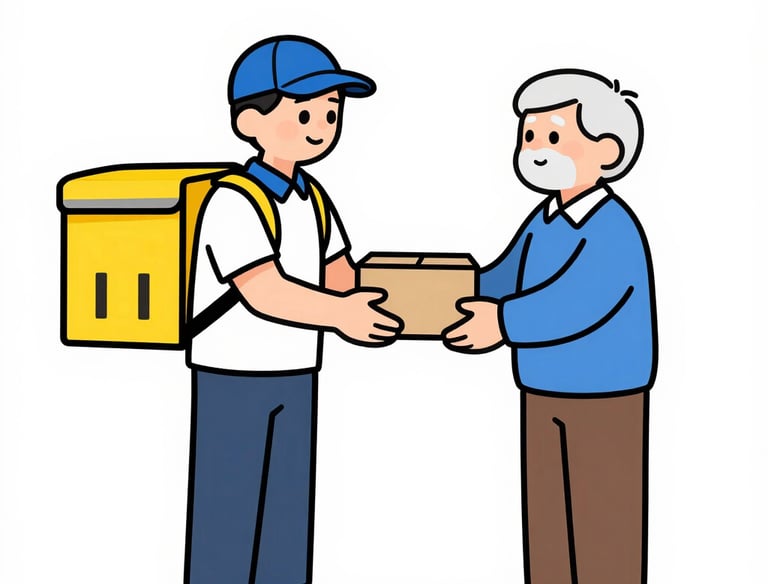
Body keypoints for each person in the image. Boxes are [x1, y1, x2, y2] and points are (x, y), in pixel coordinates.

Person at [184, 35, 402, 584]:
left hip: (297, 374)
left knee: (285, 520)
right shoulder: (233, 200)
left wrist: (407, 301)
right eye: (303, 110)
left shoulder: (314, 197)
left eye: (331, 111)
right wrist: (342, 315)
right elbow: (265, 290)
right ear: (249, 123)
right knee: (227, 522)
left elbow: (340, 276)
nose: (321, 124)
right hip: (232, 378)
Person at [443, 69, 657, 584]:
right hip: (541, 388)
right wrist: (441, 289)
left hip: (605, 397)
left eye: (555, 137)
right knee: (549, 523)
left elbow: (581, 301)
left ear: (608, 151)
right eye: (529, 137)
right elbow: (503, 274)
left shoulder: (612, 226)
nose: (536, 150)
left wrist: (502, 322)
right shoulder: (544, 219)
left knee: (603, 528)